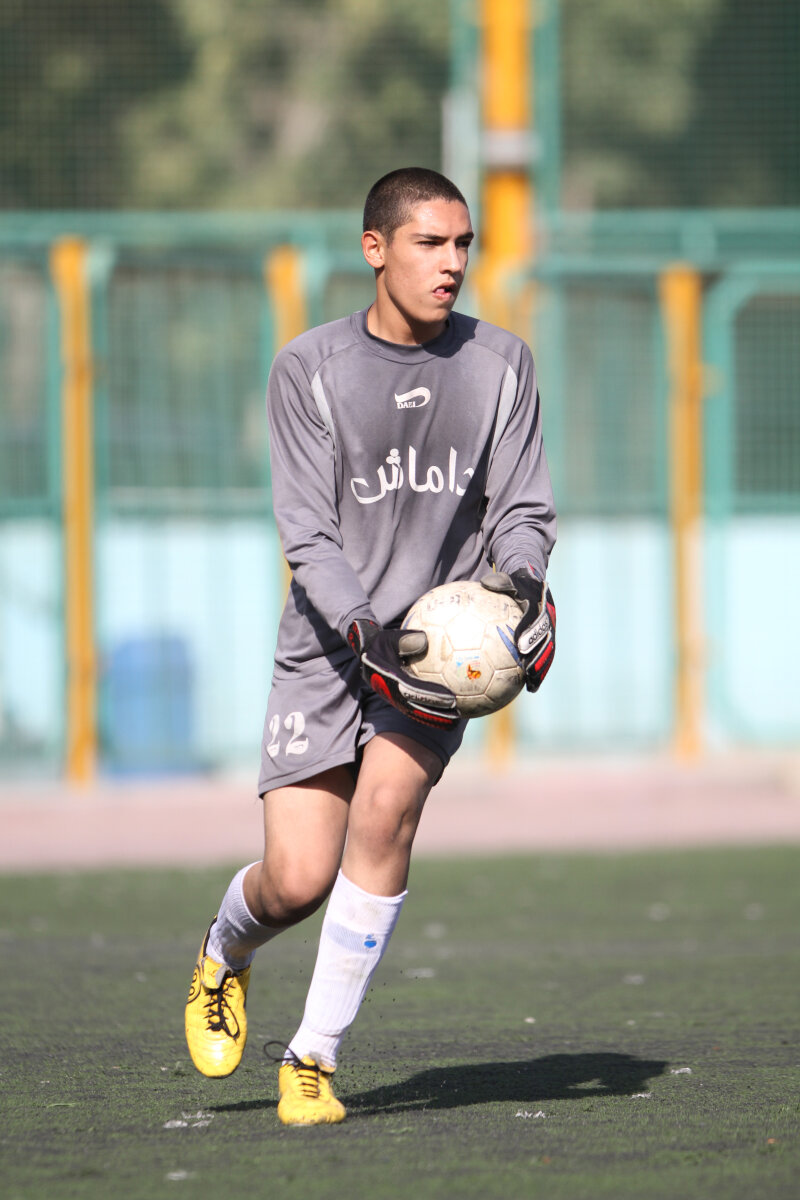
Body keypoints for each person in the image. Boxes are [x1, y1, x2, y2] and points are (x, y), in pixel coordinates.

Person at [184, 167, 557, 1126]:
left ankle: (311, 1059)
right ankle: (225, 950)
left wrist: (523, 587)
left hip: (434, 658)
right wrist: (365, 630)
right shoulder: (309, 367)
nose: (452, 263)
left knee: (386, 814)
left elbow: (521, 510)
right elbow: (308, 533)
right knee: (297, 880)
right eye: (430, 243)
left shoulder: (502, 363)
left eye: (464, 244)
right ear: (375, 249)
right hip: (329, 648)